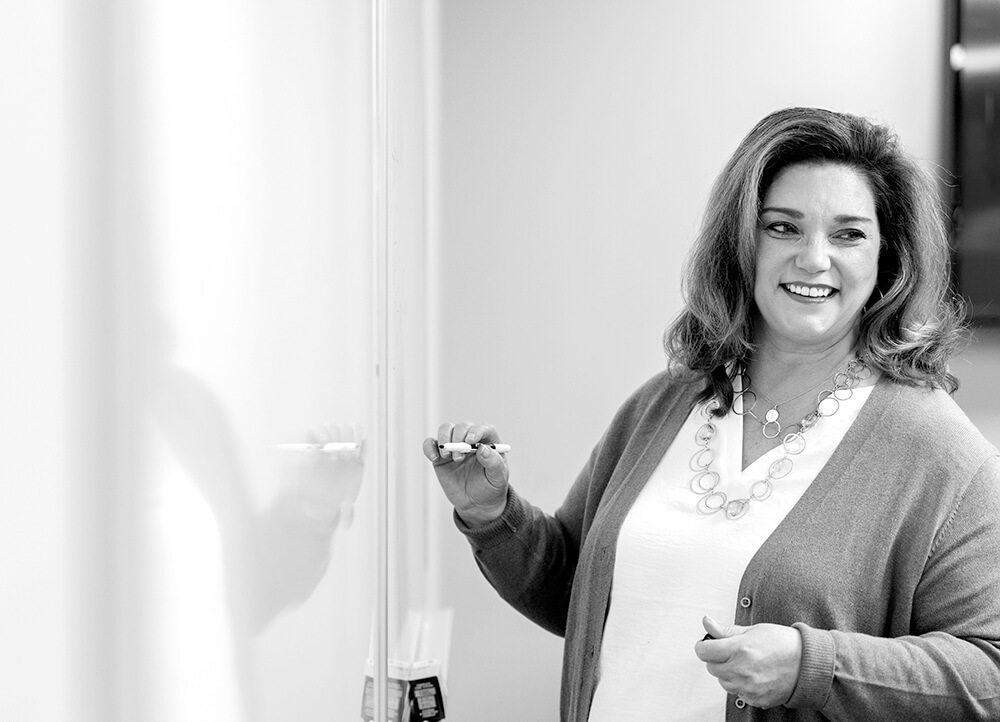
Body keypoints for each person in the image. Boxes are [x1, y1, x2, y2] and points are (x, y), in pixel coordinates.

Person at [422, 107, 1000, 721]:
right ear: (742, 243)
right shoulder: (665, 404)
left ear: (889, 257)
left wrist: (813, 666)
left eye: (848, 234)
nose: (813, 258)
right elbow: (579, 593)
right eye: (783, 227)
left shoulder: (939, 453)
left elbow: (989, 671)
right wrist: (490, 514)